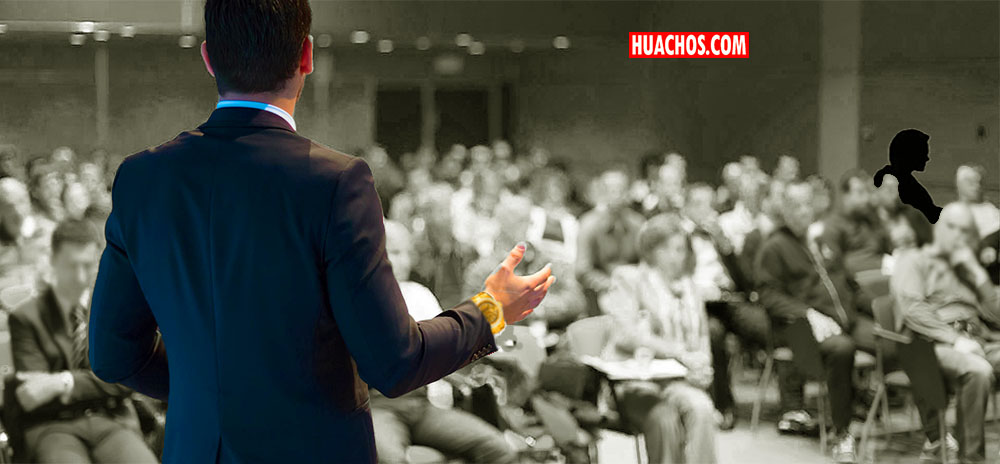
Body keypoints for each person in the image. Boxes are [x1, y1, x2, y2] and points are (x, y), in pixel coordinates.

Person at [85, 2, 556, 462]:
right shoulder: (335, 182)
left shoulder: (142, 178)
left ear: (208, 58)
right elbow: (395, 363)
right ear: (307, 55)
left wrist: (213, 391)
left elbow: (112, 356)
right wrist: (491, 310)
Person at [9, 219, 157, 463]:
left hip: (111, 419)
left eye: (87, 266)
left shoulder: (112, 309)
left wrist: (62, 382)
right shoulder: (25, 317)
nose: (79, 277)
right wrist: (97, 382)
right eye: (71, 266)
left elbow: (125, 380)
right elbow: (32, 395)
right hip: (54, 428)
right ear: (53, 260)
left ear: (99, 261)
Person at [371, 220, 517, 464]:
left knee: (499, 449)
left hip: (420, 405)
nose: (404, 261)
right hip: (377, 406)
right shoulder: (353, 299)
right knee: (391, 459)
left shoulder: (419, 294)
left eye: (406, 253)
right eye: (394, 252)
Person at [754, 179, 878, 463]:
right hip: (798, 329)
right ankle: (841, 434)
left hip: (846, 320)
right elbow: (768, 296)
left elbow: (850, 284)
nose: (802, 211)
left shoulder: (823, 241)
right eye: (795, 206)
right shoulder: (774, 247)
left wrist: (881, 312)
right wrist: (807, 314)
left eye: (806, 205)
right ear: (784, 210)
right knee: (841, 349)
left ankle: (933, 435)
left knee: (894, 340)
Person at [600, 214, 718, 464]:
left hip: (679, 380)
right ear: (650, 250)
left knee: (702, 408)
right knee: (665, 419)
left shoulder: (690, 288)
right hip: (636, 380)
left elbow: (702, 337)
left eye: (680, 249)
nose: (675, 257)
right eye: (666, 249)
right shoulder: (628, 278)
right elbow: (626, 335)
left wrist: (703, 366)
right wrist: (677, 352)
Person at [892, 202, 999, 463]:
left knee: (980, 364)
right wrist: (955, 339)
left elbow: (995, 314)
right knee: (978, 371)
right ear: (938, 228)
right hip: (932, 344)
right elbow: (912, 309)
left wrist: (977, 273)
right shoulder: (914, 260)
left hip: (977, 337)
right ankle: (970, 459)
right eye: (952, 227)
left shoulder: (966, 267)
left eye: (965, 230)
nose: (958, 236)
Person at [873, 129, 942, 224]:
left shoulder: (904, 179)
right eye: (923, 152)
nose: (927, 158)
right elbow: (927, 214)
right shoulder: (897, 182)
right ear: (911, 154)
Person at [955, 164, 1000, 239]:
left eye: (979, 182)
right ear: (959, 184)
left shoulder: (992, 212)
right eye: (971, 183)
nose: (977, 186)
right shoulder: (950, 212)